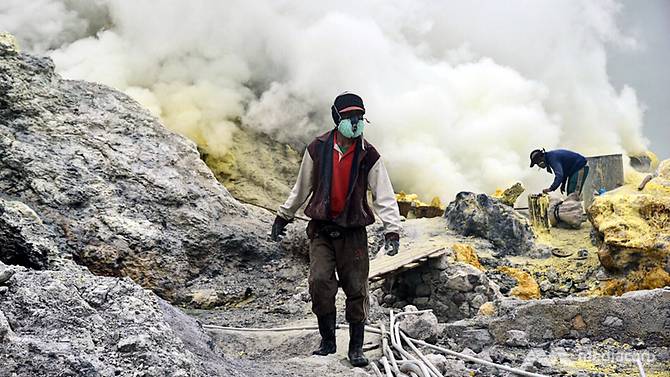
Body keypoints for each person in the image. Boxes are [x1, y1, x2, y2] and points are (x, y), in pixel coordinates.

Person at [270, 92, 402, 367]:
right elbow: (302, 187)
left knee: (357, 289)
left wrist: (392, 230)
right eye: (349, 117)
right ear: (336, 118)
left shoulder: (369, 155)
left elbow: (384, 195)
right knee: (319, 282)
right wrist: (284, 216)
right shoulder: (317, 148)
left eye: (359, 117)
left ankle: (356, 348)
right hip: (321, 229)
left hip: (353, 233)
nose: (355, 123)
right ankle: (327, 340)